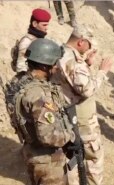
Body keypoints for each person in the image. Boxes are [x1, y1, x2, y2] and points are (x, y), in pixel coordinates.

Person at [52, 27, 112, 185]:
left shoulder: (59, 52)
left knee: (71, 157)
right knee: (92, 159)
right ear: (81, 42)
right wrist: (102, 72)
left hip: (66, 119)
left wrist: (86, 63)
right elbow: (86, 89)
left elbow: (70, 81)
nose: (90, 49)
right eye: (89, 46)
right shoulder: (73, 61)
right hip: (82, 121)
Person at [14, 38, 76, 185]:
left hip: (32, 153)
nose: (56, 68)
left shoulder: (21, 81)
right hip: (48, 162)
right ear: (44, 65)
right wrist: (70, 135)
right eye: (54, 64)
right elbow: (48, 137)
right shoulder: (39, 94)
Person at [13, 8, 51, 75]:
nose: (47, 28)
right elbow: (21, 67)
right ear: (35, 24)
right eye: (44, 25)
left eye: (47, 25)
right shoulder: (27, 42)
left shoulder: (40, 39)